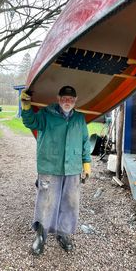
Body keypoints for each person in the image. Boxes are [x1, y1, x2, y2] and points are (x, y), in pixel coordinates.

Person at [21, 85, 91, 255]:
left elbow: (84, 141)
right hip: (50, 165)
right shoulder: (46, 114)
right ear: (59, 99)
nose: (67, 102)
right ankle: (40, 236)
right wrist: (26, 106)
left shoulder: (79, 119)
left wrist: (86, 163)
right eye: (64, 98)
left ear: (75, 101)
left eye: (71, 99)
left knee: (70, 203)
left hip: (73, 168)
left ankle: (63, 234)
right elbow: (30, 122)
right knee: (46, 202)